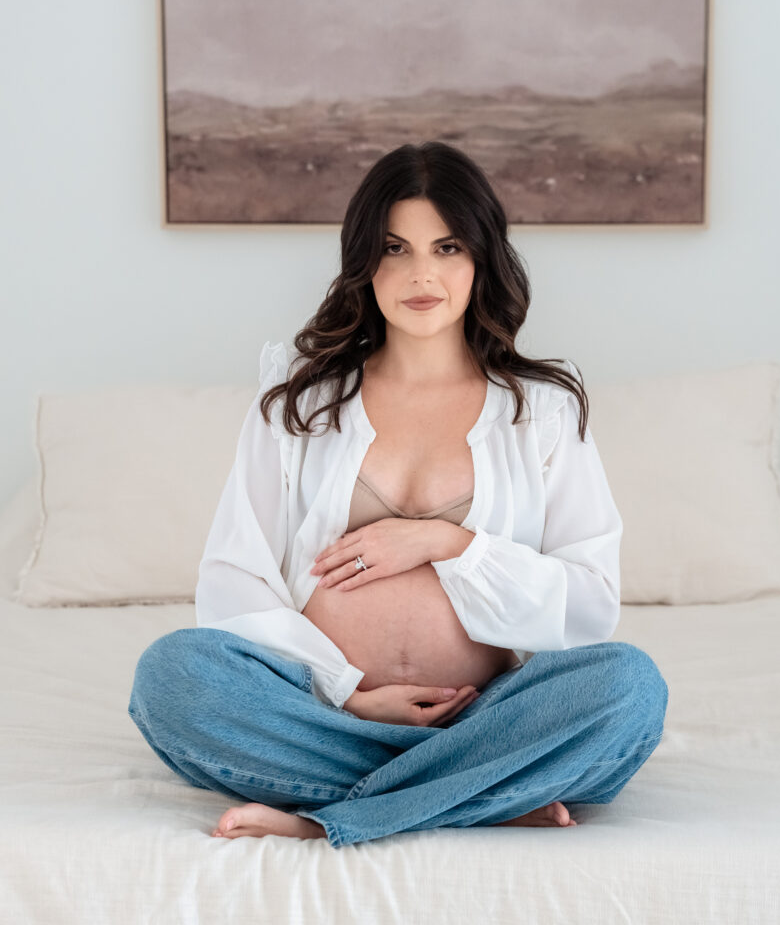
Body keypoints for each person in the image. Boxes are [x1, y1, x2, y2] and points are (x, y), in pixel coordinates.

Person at [128, 141, 668, 849]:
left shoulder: (541, 408)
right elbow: (235, 578)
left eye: (446, 248)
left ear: (480, 259)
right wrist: (347, 689)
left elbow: (588, 603)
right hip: (322, 710)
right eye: (394, 248)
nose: (421, 274)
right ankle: (479, 792)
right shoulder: (298, 399)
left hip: (487, 713)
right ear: (363, 261)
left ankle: (325, 814)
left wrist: (449, 544)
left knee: (628, 687)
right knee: (172, 676)